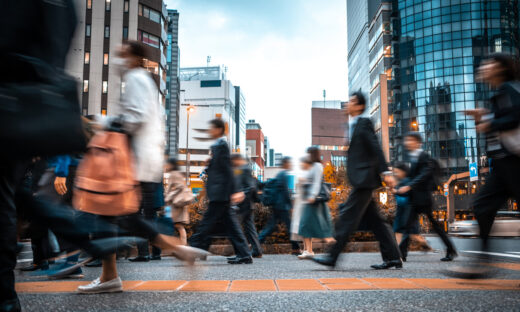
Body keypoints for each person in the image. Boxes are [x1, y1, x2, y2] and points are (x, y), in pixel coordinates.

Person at [77, 41, 208, 294]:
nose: (117, 59)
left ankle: (112, 276)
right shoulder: (143, 81)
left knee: (110, 213)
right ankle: (114, 274)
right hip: (140, 159)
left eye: (122, 54)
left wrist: (103, 124)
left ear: (134, 58)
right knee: (120, 216)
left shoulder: (136, 79)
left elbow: (135, 118)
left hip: (131, 160)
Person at [313, 92, 402, 269]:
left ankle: (332, 257)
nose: (348, 103)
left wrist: (386, 171)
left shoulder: (364, 123)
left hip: (365, 180)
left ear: (360, 106)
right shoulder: (352, 125)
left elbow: (375, 147)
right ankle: (393, 258)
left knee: (347, 218)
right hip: (362, 179)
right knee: (377, 222)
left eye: (353, 101)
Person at [456, 53, 520, 278]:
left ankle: (482, 263)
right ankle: (483, 263)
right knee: (482, 206)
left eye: (488, 63)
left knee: (483, 206)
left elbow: (515, 116)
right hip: (502, 166)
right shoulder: (500, 94)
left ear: (501, 68)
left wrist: (490, 121)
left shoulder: (510, 89)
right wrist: (485, 116)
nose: (482, 67)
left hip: (514, 163)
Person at [189, 119, 253, 265]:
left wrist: (236, 190)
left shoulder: (221, 145)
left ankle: (193, 250)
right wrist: (210, 164)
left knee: (207, 223)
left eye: (211, 128)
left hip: (220, 193)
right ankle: (244, 254)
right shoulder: (219, 146)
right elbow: (221, 168)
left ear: (218, 129)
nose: (209, 131)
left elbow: (228, 170)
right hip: (221, 193)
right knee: (231, 226)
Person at [395, 132, 457, 262]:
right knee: (407, 226)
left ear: (418, 143)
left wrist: (409, 186)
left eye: (410, 140)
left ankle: (451, 250)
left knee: (434, 226)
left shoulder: (424, 156)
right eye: (407, 140)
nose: (407, 143)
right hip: (415, 198)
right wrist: (400, 188)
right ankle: (401, 254)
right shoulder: (413, 158)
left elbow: (424, 174)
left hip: (424, 198)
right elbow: (412, 176)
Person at [258, 157, 301, 255]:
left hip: (278, 205)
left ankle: (257, 243)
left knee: (270, 227)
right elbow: (285, 192)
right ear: (285, 163)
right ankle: (296, 248)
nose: (291, 165)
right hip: (282, 206)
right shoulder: (283, 175)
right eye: (290, 163)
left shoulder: (280, 174)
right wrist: (290, 205)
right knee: (289, 227)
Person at [297, 148, 333, 259]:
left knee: (305, 225)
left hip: (313, 200)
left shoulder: (317, 166)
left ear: (312, 154)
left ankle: (328, 243)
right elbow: (311, 181)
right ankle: (309, 250)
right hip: (309, 199)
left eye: (308, 153)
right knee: (306, 225)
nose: (307, 156)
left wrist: (312, 196)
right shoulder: (313, 166)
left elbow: (317, 183)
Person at [391, 162, 431, 261]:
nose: (396, 174)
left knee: (411, 233)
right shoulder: (400, 182)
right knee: (398, 231)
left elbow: (407, 193)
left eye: (397, 172)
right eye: (394, 172)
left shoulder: (408, 181)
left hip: (408, 210)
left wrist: (397, 191)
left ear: (403, 172)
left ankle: (424, 244)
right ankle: (398, 253)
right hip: (400, 209)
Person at [229, 154, 262, 259]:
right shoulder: (242, 169)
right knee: (249, 228)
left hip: (244, 204)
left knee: (235, 228)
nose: (233, 163)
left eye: (234, 160)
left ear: (237, 159)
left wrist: (241, 195)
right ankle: (256, 250)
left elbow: (250, 186)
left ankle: (242, 253)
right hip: (247, 204)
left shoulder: (245, 169)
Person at [164, 157, 192, 246]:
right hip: (176, 204)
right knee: (177, 226)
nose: (165, 166)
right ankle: (182, 245)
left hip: (174, 205)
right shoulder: (177, 173)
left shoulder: (174, 174)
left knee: (176, 225)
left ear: (171, 165)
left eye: (167, 164)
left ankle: (181, 246)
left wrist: (168, 197)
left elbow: (179, 187)